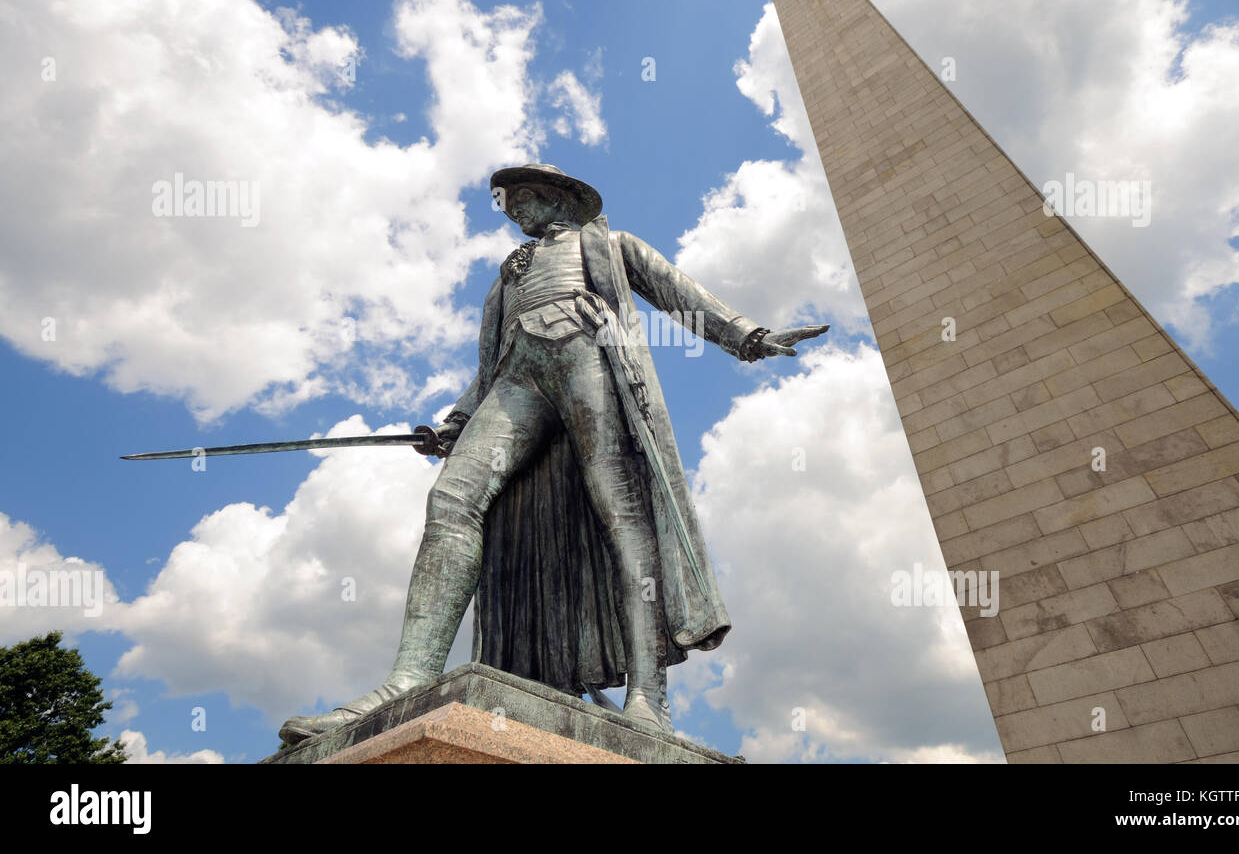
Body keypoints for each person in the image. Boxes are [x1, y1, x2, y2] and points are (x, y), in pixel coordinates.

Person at [279, 164, 828, 743]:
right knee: (451, 499)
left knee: (621, 513)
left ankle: (647, 695)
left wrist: (748, 335)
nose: (514, 208)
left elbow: (677, 293)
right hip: (517, 381)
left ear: (561, 198)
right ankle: (408, 677)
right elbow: (491, 363)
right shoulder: (507, 279)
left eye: (526, 197)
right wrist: (457, 421)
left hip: (586, 358)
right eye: (508, 202)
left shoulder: (609, 245)